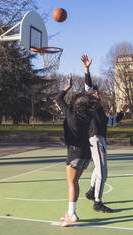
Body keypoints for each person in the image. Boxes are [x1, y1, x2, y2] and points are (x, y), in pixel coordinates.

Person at [81, 54, 128, 213]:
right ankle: (98, 202)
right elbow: (88, 88)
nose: (101, 94)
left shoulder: (100, 110)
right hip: (94, 139)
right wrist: (87, 69)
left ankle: (91, 191)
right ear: (94, 95)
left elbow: (111, 122)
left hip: (100, 141)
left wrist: (122, 112)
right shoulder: (91, 104)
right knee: (102, 172)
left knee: (100, 169)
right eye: (98, 92)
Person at [56, 73, 98, 227]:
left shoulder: (70, 112)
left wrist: (68, 86)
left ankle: (72, 214)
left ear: (73, 102)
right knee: (75, 182)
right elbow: (89, 95)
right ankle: (71, 211)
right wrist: (86, 71)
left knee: (71, 183)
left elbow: (58, 99)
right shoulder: (88, 114)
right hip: (87, 153)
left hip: (75, 152)